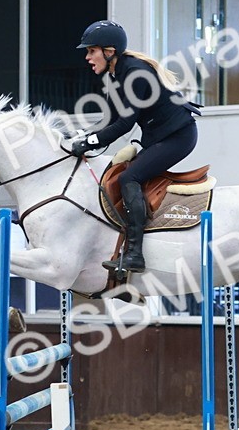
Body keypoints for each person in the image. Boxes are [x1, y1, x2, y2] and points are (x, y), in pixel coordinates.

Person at [71, 20, 200, 274]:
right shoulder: (115, 75)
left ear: (110, 51)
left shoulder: (134, 73)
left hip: (178, 137)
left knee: (129, 177)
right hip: (161, 137)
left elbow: (124, 124)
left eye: (91, 51)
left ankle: (135, 254)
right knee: (122, 172)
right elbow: (109, 119)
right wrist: (78, 137)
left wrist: (90, 143)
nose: (87, 57)